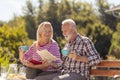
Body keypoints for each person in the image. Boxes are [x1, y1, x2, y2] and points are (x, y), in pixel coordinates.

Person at [35, 19, 101, 80]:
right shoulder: (67, 45)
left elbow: (97, 59)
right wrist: (51, 63)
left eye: (65, 31)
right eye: (62, 31)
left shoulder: (85, 41)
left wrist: (79, 58)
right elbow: (62, 66)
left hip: (79, 75)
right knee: (38, 79)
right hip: (65, 73)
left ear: (73, 29)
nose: (63, 34)